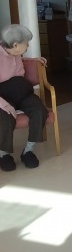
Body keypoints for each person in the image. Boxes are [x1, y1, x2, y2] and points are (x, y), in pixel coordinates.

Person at [0, 24, 48, 171]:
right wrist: (4, 105)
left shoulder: (15, 52)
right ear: (15, 45)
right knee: (5, 117)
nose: (28, 46)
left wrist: (33, 60)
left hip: (22, 93)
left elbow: (14, 59)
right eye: (26, 43)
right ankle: (3, 154)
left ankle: (28, 151)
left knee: (40, 110)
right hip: (3, 96)